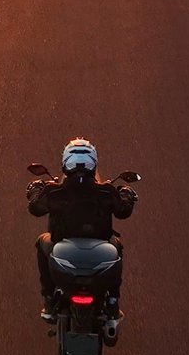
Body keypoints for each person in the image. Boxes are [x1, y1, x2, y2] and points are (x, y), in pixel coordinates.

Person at [27, 137, 136, 321]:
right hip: (101, 249)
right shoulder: (106, 191)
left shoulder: (54, 191)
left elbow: (35, 208)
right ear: (93, 164)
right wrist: (127, 194)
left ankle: (48, 298)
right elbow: (123, 211)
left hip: (62, 248)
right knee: (118, 246)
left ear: (65, 163)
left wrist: (36, 189)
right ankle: (112, 301)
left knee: (41, 241)